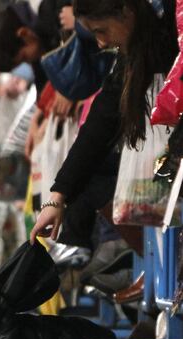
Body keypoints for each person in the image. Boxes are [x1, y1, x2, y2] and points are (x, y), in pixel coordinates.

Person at [30, 0, 178, 245]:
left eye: (101, 30)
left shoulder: (173, 25)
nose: (101, 43)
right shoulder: (134, 51)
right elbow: (100, 123)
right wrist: (57, 196)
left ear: (126, 11)